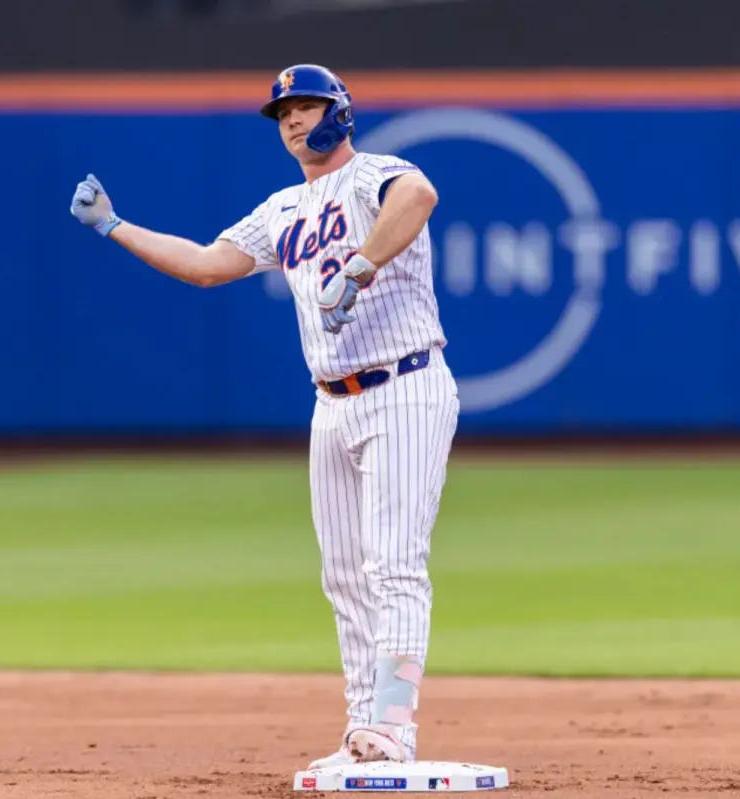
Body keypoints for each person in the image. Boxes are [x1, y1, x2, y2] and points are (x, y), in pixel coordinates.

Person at [69, 63, 461, 770]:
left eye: (306, 106)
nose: (293, 120)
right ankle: (363, 731)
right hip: (331, 402)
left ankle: (393, 727)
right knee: (344, 576)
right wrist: (115, 226)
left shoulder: (373, 174)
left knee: (393, 564)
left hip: (405, 385)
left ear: (339, 112)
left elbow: (419, 195)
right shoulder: (282, 210)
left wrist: (360, 267)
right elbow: (206, 264)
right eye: (283, 113)